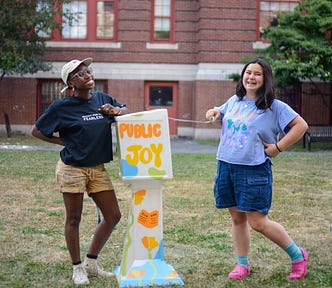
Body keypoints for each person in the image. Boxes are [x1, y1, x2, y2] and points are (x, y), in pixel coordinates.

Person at [205, 58, 309, 280]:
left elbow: (301, 126)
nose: (251, 77)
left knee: (258, 222)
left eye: (257, 74)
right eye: (248, 73)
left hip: (253, 170)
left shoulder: (274, 106)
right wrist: (214, 112)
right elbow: (220, 114)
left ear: (265, 79)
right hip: (226, 166)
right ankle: (242, 264)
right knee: (237, 219)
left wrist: (277, 147)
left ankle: (298, 255)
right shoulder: (235, 100)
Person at [32, 58, 129, 285]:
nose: (87, 75)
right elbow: (37, 130)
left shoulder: (102, 99)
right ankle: (77, 268)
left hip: (97, 168)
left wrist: (116, 110)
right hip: (72, 168)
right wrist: (62, 142)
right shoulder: (61, 107)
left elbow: (125, 110)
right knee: (74, 218)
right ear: (71, 84)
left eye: (88, 71)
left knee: (113, 215)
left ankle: (91, 263)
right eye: (80, 74)